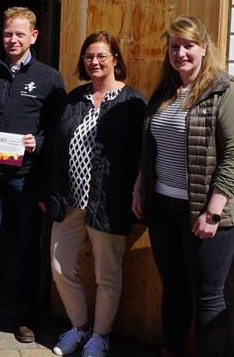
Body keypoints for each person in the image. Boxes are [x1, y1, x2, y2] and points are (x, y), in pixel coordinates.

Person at [131, 15, 234, 357]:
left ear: (203, 48)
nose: (180, 53)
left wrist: (212, 213)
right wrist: (140, 188)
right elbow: (149, 147)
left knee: (208, 296)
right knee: (174, 289)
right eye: (174, 47)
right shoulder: (165, 93)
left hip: (208, 214)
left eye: (188, 46)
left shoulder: (225, 92)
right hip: (164, 208)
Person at [41, 31, 146, 357]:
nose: (95, 62)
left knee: (107, 275)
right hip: (70, 201)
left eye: (101, 55)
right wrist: (48, 190)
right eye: (89, 56)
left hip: (108, 201)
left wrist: (139, 192)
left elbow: (143, 155)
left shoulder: (133, 102)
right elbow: (55, 148)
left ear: (116, 58)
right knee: (60, 265)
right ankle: (79, 328)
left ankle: (101, 337)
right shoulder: (74, 98)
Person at [0, 7, 65, 342]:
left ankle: (25, 314)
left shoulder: (49, 78)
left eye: (20, 34)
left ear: (33, 36)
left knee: (26, 247)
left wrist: (36, 142)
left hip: (25, 176)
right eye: (8, 33)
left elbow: (57, 130)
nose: (13, 40)